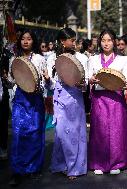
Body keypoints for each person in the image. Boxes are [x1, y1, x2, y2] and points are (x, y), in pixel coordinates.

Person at [8, 30, 50, 186]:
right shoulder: (14, 59)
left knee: (35, 133)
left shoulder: (40, 58)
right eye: (23, 39)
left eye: (29, 39)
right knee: (18, 134)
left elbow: (45, 82)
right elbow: (12, 82)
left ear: (34, 41)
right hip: (20, 100)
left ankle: (33, 168)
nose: (26, 41)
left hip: (35, 99)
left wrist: (46, 79)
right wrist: (7, 79)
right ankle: (17, 170)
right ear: (19, 41)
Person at [88, 29, 127, 175]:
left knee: (116, 130)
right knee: (99, 130)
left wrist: (125, 85)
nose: (106, 43)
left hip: (116, 98)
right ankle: (98, 162)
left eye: (109, 40)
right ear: (100, 42)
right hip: (99, 98)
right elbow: (88, 78)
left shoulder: (123, 59)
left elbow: (125, 81)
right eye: (103, 40)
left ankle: (116, 163)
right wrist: (91, 80)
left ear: (114, 42)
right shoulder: (92, 59)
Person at [49, 28, 87, 180]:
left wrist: (81, 84)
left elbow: (85, 82)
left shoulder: (81, 58)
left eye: (75, 40)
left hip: (75, 99)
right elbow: (51, 84)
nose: (74, 43)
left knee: (75, 133)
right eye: (71, 40)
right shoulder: (52, 58)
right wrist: (48, 79)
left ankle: (74, 167)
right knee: (61, 132)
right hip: (60, 99)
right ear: (62, 42)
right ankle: (61, 164)